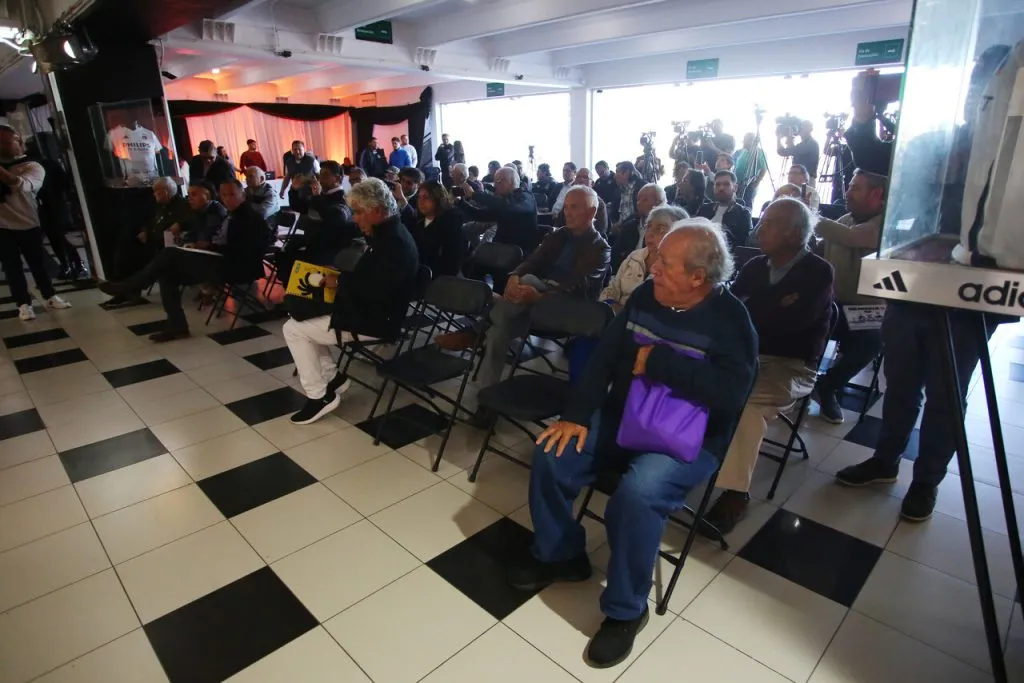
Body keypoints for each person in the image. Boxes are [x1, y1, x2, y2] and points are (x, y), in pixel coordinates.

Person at [509, 219, 757, 668]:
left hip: (689, 437)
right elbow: (604, 358)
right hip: (627, 415)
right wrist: (576, 416)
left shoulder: (731, 321)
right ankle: (562, 554)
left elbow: (730, 396)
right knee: (551, 453)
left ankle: (626, 610)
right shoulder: (645, 296)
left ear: (698, 277)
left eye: (665, 261)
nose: (653, 266)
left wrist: (659, 361)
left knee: (638, 495)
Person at [705, 198, 834, 531]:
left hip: (793, 364)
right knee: (690, 375)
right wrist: (775, 305)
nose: (761, 228)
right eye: (763, 220)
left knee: (749, 404)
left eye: (771, 223)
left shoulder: (818, 272)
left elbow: (796, 324)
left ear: (795, 233)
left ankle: (735, 494)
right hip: (748, 354)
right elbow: (730, 312)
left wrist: (756, 309)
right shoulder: (754, 267)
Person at [282, 177, 419, 424]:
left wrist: (337, 284)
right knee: (299, 315)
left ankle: (319, 396)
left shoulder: (393, 242)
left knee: (293, 329)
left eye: (358, 212)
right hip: (369, 310)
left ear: (377, 211)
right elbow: (370, 281)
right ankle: (333, 378)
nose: (354, 218)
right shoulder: (388, 233)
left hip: (375, 320)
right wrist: (337, 281)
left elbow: (376, 292)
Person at [456, 186, 610, 401]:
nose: (568, 212)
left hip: (568, 309)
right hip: (531, 304)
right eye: (566, 207)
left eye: (574, 207)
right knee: (498, 333)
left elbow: (578, 288)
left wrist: (538, 296)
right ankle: (486, 397)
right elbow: (532, 261)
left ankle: (479, 326)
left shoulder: (600, 249)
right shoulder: (558, 235)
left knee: (528, 283)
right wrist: (514, 276)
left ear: (592, 212)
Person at [99, 180, 269, 342]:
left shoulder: (249, 218)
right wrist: (204, 246)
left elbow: (244, 252)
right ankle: (177, 325)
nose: (227, 199)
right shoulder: (232, 215)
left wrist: (210, 247)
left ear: (243, 195)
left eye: (232, 194)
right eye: (223, 195)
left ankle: (129, 286)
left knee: (169, 254)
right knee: (167, 273)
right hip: (220, 260)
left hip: (235, 266)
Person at [810, 169, 885, 424]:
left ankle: (828, 385)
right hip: (831, 304)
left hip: (866, 309)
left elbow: (852, 238)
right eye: (850, 186)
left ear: (877, 194)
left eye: (856, 188)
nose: (848, 192)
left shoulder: (884, 224)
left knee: (874, 338)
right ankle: (796, 379)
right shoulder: (843, 219)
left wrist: (806, 214)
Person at [0, 125, 72, 320]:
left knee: (38, 263)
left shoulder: (32, 166)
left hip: (28, 222)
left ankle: (49, 295)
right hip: (2, 227)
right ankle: (23, 304)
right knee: (12, 267)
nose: (5, 146)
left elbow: (23, 185)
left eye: (9, 142)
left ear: (19, 142)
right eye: (1, 143)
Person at [104, 176, 191, 308]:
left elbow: (186, 223)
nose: (154, 194)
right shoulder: (161, 206)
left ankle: (125, 289)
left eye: (157, 192)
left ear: (166, 192)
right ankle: (123, 290)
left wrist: (179, 224)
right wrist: (145, 230)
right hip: (153, 240)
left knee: (144, 258)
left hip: (166, 246)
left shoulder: (181, 206)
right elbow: (153, 221)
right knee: (125, 248)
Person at [277, 161, 360, 284]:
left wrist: (317, 197)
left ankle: (302, 297)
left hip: (329, 250)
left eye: (325, 175)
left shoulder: (344, 199)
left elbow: (335, 219)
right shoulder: (320, 197)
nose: (320, 178)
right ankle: (291, 295)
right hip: (312, 245)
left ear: (337, 178)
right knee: (284, 255)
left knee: (299, 269)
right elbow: (299, 207)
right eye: (320, 174)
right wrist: (294, 189)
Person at [600, 204, 686, 312]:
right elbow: (611, 290)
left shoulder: (679, 270)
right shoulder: (635, 256)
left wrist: (627, 316)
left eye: (661, 229)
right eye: (648, 227)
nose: (650, 234)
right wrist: (612, 307)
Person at [459, 166, 540, 259]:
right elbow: (481, 215)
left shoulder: (526, 196)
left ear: (510, 181)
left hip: (521, 252)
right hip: (501, 248)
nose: (494, 186)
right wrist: (460, 203)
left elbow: (509, 206)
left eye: (498, 181)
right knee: (471, 261)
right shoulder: (504, 201)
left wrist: (475, 195)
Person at [411, 181, 464, 279]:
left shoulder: (450, 222)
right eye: (419, 197)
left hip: (441, 279)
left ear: (438, 199)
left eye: (426, 198)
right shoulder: (418, 221)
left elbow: (452, 261)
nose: (421, 202)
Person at [610, 183, 665, 273]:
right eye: (638, 199)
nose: (638, 203)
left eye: (645, 200)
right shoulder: (629, 226)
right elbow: (615, 255)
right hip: (625, 274)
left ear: (658, 203)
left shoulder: (665, 230)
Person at [697, 170, 752, 250]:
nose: (721, 188)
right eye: (718, 185)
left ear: (735, 188)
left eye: (726, 184)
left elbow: (742, 246)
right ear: (714, 187)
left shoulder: (743, 214)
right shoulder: (704, 209)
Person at [554, 167, 609, 235]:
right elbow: (559, 224)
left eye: (585, 177)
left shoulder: (598, 203)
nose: (581, 180)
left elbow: (601, 231)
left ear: (592, 183)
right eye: (578, 177)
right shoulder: (569, 199)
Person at [280, 140, 321, 214]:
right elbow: (287, 177)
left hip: (311, 194)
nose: (297, 152)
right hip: (296, 194)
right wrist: (282, 190)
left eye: (300, 149)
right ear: (292, 150)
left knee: (312, 214)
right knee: (300, 213)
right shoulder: (288, 163)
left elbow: (319, 175)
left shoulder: (312, 160)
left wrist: (320, 188)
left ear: (304, 149)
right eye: (295, 149)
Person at [734, 133, 768, 208]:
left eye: (746, 140)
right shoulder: (742, 151)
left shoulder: (760, 152)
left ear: (752, 141)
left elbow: (764, 169)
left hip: (749, 184)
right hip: (737, 183)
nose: (744, 142)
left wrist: (756, 183)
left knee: (746, 205)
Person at [612, 161, 644, 227]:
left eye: (618, 172)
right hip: (622, 230)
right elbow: (614, 212)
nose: (615, 176)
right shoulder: (618, 191)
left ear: (626, 173)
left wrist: (622, 224)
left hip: (638, 229)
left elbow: (643, 212)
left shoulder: (642, 188)